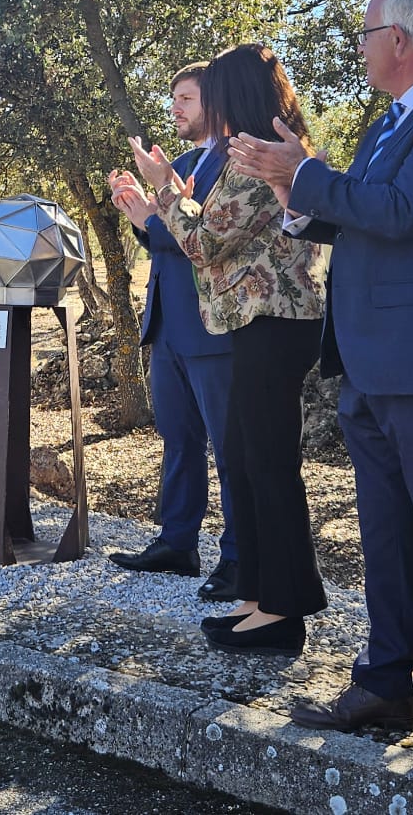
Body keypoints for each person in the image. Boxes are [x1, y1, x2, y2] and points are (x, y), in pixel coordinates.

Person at [232, 0, 413, 778]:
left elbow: (400, 213)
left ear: (399, 39)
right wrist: (294, 187)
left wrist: (305, 171)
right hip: (373, 365)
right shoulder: (392, 121)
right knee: (385, 539)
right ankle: (385, 681)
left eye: (363, 33)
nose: (357, 47)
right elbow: (359, 208)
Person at [118, 44, 325, 657]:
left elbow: (204, 242)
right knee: (248, 457)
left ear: (234, 96)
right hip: (250, 322)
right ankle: (259, 594)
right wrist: (167, 196)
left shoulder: (261, 155)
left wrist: (163, 192)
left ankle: (284, 609)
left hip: (274, 320)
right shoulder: (252, 150)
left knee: (267, 464)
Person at [104, 62, 240, 600]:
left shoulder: (236, 161)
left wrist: (150, 217)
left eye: (185, 98)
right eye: (173, 99)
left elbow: (202, 238)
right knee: (178, 440)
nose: (176, 109)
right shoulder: (182, 164)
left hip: (212, 327)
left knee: (230, 448)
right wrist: (140, 211)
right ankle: (178, 541)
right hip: (168, 323)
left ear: (215, 100)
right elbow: (164, 237)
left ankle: (239, 557)